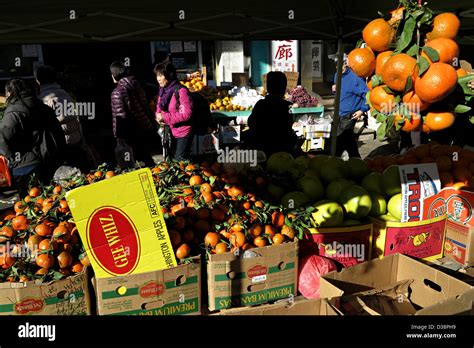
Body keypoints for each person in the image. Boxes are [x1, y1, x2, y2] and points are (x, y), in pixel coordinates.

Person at [0, 79, 65, 195]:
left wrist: (13, 159)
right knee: (50, 200)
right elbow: (58, 132)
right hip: (49, 161)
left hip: (25, 167)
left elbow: (2, 138)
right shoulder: (42, 106)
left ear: (10, 92)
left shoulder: (13, 112)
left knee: (30, 203)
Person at [35, 65, 94, 171]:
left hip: (62, 146)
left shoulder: (43, 100)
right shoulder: (65, 94)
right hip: (76, 141)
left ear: (39, 81)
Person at [110, 61, 156, 167]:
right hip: (143, 126)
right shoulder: (136, 84)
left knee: (128, 165)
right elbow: (144, 105)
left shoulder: (117, 92)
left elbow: (120, 117)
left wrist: (119, 139)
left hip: (129, 133)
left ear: (114, 75)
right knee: (146, 159)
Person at [246, 71, 297, 157]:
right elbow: (287, 128)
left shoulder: (260, 104)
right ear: (284, 88)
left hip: (261, 151)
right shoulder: (287, 106)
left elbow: (250, 123)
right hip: (282, 152)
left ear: (268, 87)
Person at [154, 62, 194, 160]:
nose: (158, 78)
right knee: (170, 159)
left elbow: (187, 114)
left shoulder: (181, 91)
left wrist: (165, 117)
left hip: (183, 132)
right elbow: (159, 107)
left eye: (161, 75)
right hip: (170, 131)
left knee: (180, 161)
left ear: (169, 75)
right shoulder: (163, 90)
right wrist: (157, 116)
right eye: (157, 75)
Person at [332, 54, 369, 158]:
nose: (338, 68)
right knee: (348, 142)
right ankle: (356, 162)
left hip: (350, 115)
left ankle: (335, 161)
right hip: (339, 112)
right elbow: (340, 94)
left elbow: (368, 95)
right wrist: (334, 90)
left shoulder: (356, 78)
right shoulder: (336, 75)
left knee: (341, 140)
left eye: (340, 66)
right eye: (336, 66)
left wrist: (362, 110)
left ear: (346, 65)